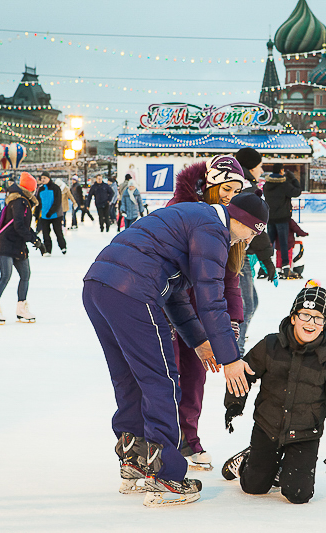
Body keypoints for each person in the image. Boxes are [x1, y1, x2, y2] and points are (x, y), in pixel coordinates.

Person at [82, 191, 266, 506]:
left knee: (129, 377)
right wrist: (231, 358)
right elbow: (212, 298)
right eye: (253, 232)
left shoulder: (194, 217)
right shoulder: (213, 231)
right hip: (133, 290)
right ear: (244, 220)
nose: (247, 241)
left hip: (98, 286)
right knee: (162, 380)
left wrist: (199, 341)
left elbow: (175, 293)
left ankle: (134, 461)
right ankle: (165, 476)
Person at [223, 283, 326, 504]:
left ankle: (285, 468)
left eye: (318, 318)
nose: (310, 323)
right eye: (305, 315)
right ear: (293, 317)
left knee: (298, 495)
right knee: (253, 487)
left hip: (305, 433)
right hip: (268, 426)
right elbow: (244, 374)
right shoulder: (271, 345)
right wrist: (234, 404)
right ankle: (247, 459)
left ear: (325, 324)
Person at [166, 154, 247, 471]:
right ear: (212, 184)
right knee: (167, 376)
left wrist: (235, 322)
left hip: (200, 310)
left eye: (235, 191)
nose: (229, 196)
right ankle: (161, 444)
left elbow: (230, 276)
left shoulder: (231, 223)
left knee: (196, 375)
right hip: (167, 303)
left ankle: (188, 438)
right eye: (226, 188)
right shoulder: (181, 209)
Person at [0, 172, 46, 325]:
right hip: (6, 244)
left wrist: (36, 240)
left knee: (25, 275)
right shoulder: (20, 202)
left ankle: (21, 308)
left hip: (18, 245)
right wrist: (34, 240)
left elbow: (23, 226)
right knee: (5, 276)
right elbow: (19, 226)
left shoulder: (23, 201)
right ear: (31, 189)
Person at [235, 147, 277, 356]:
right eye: (260, 166)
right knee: (246, 305)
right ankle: (235, 350)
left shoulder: (239, 185)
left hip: (238, 252)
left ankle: (234, 342)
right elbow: (257, 228)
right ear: (251, 167)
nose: (262, 171)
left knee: (250, 303)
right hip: (237, 254)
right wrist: (268, 261)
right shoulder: (247, 189)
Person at [263, 163, 302, 278]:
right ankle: (285, 266)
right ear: (281, 171)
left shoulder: (267, 185)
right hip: (282, 218)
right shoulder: (284, 184)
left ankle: (264, 266)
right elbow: (297, 192)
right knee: (283, 243)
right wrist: (293, 179)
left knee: (269, 243)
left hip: (270, 217)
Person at [36, 172, 66, 256]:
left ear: (49, 178)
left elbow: (57, 201)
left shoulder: (55, 188)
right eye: (42, 178)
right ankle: (47, 250)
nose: (43, 180)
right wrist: (37, 214)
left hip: (55, 215)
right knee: (45, 233)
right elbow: (38, 203)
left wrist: (51, 212)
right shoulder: (40, 189)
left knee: (58, 232)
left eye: (44, 178)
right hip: (44, 216)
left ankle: (63, 246)